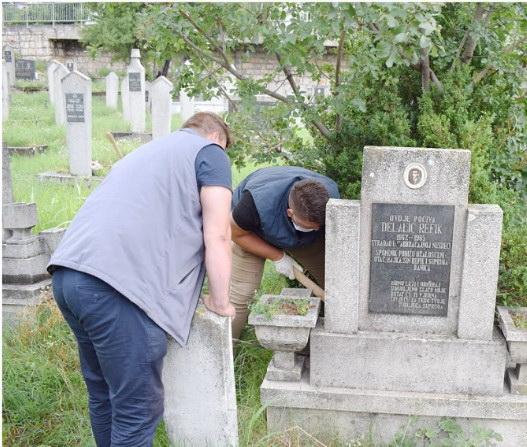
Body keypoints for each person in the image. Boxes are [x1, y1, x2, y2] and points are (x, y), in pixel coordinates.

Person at [47, 112, 236, 447]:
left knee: (104, 394)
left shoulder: (149, 151)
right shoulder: (209, 151)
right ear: (214, 136)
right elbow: (219, 233)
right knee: (136, 410)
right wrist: (220, 300)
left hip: (68, 275)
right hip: (119, 288)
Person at [230, 166, 339, 339]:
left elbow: (321, 229)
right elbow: (235, 232)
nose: (318, 228)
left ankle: (335, 336)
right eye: (310, 225)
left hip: (303, 239)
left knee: (335, 284)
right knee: (241, 296)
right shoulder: (252, 205)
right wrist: (278, 256)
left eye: (319, 225)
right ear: (290, 213)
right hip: (250, 233)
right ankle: (228, 353)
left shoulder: (331, 199)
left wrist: (311, 229)